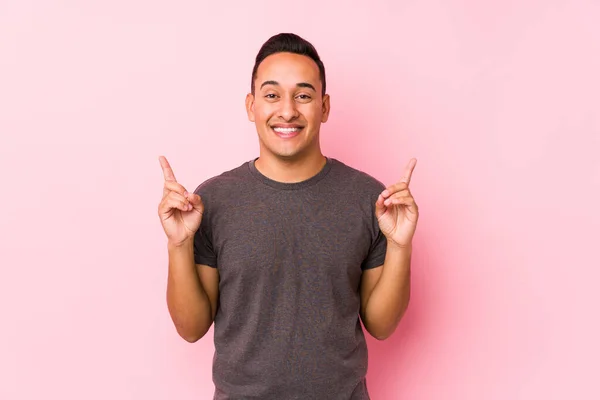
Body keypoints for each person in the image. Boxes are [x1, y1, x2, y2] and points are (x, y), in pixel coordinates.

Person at [157, 33, 419, 400]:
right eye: (271, 95)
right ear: (251, 106)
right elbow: (191, 327)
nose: (287, 110)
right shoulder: (212, 200)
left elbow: (381, 325)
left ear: (324, 107)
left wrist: (400, 245)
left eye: (303, 95)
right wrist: (178, 244)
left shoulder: (369, 199)